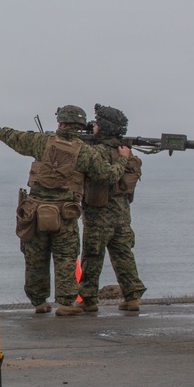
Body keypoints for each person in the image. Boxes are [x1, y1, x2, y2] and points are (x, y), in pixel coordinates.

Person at [0, 105, 131, 316]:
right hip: (65, 214)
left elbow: (14, 137)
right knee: (65, 258)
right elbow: (109, 175)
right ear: (80, 125)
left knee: (35, 258)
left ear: (60, 122)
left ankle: (39, 303)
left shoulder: (41, 142)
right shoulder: (85, 151)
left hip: (34, 212)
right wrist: (123, 159)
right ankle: (65, 304)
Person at [77, 104, 146, 312]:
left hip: (99, 215)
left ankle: (88, 300)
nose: (93, 126)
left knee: (92, 257)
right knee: (124, 256)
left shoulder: (95, 152)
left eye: (97, 123)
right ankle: (132, 297)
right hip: (122, 215)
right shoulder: (126, 152)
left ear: (104, 127)